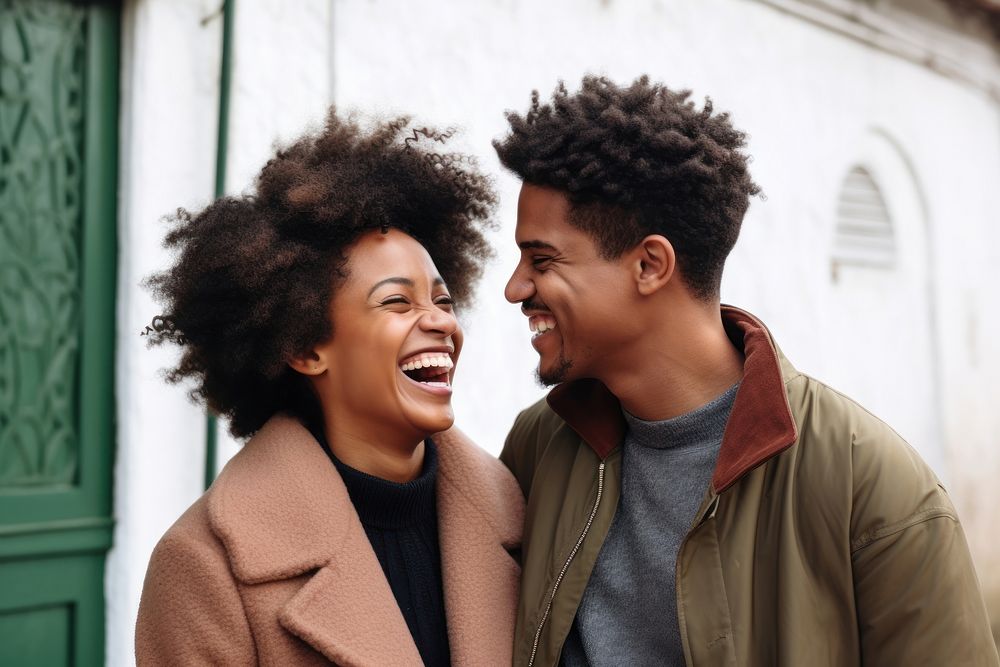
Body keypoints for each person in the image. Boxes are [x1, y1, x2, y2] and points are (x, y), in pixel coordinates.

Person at [493, 75, 998, 666]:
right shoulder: (541, 445)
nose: (515, 288)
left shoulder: (875, 489)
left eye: (543, 259)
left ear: (650, 265)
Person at [135, 111, 523, 666]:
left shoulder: (522, 513)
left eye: (443, 300)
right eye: (397, 302)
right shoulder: (202, 566)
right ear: (306, 347)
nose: (441, 322)